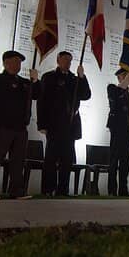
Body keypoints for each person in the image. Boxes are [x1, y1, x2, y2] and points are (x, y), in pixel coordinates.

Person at [0, 50, 37, 200]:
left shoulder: (24, 83)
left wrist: (35, 81)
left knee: (18, 161)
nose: (18, 65)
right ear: (6, 63)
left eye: (19, 62)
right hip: (2, 125)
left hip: (20, 127)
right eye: (15, 62)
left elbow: (37, 94)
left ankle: (17, 190)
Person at [34, 51, 91, 196]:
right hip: (54, 124)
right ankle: (48, 189)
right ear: (58, 60)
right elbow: (42, 102)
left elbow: (86, 95)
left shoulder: (74, 79)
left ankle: (63, 190)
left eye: (70, 61)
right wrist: (42, 124)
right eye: (65, 60)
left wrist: (82, 77)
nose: (67, 63)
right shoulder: (49, 77)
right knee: (51, 159)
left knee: (67, 159)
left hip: (70, 125)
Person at [106, 68, 129, 197]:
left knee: (126, 161)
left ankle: (123, 190)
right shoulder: (112, 89)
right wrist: (126, 80)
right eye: (124, 75)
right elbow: (116, 97)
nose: (128, 77)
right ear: (119, 77)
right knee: (114, 160)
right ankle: (112, 190)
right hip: (117, 129)